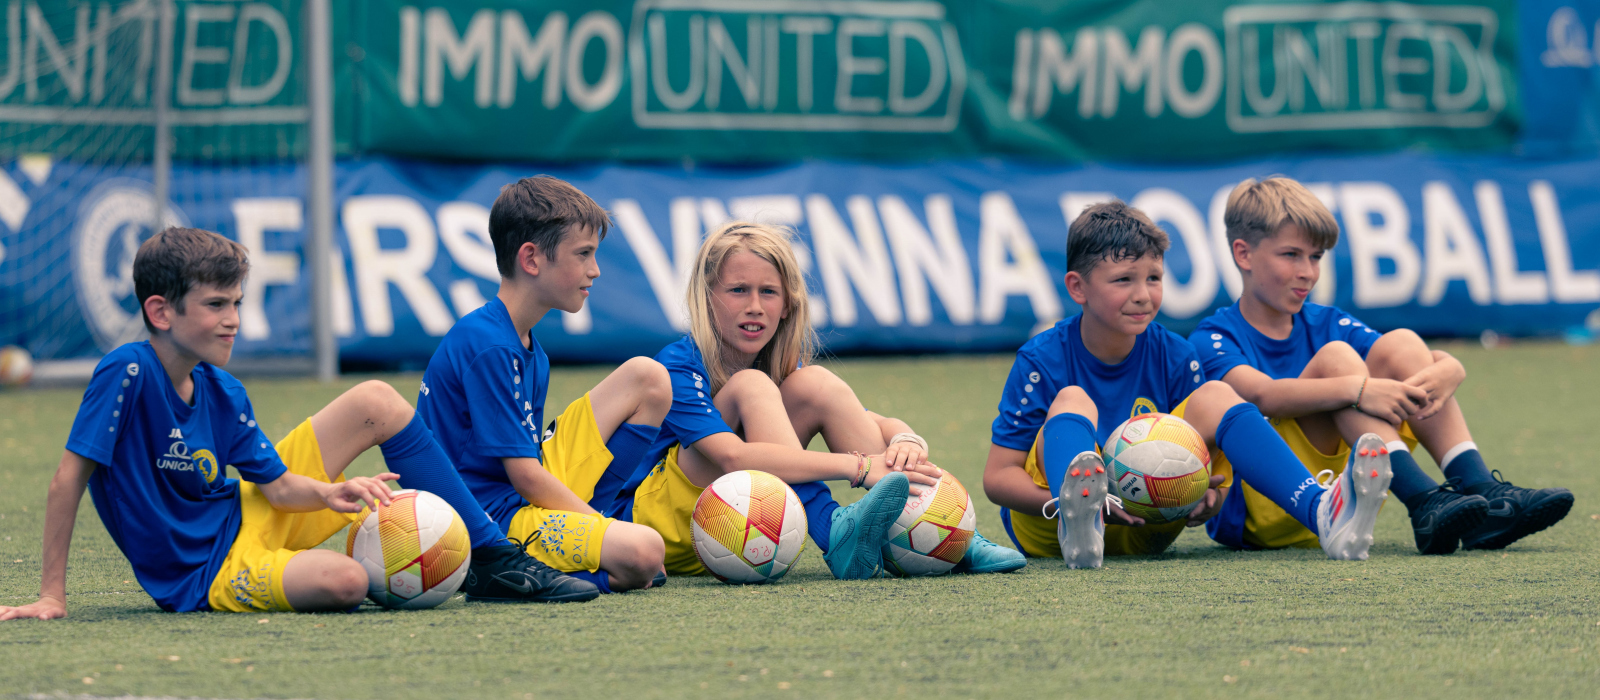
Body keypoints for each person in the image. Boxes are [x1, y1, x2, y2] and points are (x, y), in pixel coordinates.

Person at [0, 228, 595, 620]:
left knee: (376, 400)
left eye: (236, 303)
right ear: (160, 311)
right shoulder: (126, 371)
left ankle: (491, 558)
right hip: (208, 574)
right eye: (216, 305)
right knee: (343, 583)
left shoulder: (222, 388)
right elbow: (66, 480)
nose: (233, 320)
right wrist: (53, 592)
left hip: (250, 512)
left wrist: (332, 493)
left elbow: (280, 485)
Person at [983, 201, 1393, 569]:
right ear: (1078, 287)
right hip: (1050, 532)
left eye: (1154, 278)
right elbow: (998, 477)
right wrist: (1062, 505)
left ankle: (1322, 511)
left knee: (1214, 395)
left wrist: (1205, 499)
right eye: (1123, 280)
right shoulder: (1042, 359)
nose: (1143, 295)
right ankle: (1081, 513)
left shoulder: (1176, 355)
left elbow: (1210, 469)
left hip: (1151, 526)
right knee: (1073, 398)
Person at [613, 221, 1027, 579]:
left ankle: (942, 528)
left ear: (788, 305)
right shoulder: (679, 365)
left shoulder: (778, 362)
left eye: (768, 292)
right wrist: (861, 468)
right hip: (662, 527)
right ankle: (833, 529)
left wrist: (905, 441)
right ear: (707, 297)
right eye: (738, 290)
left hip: (738, 518)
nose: (755, 306)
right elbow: (734, 459)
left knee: (815, 385)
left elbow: (873, 421)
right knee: (751, 386)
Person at [1191, 177, 1574, 554]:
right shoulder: (1213, 336)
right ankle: (1422, 500)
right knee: (1338, 360)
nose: (1308, 272)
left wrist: (1451, 367)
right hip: (1262, 509)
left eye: (1316, 257)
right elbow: (1264, 396)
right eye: (1291, 255)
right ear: (1243, 254)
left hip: (1343, 493)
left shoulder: (1326, 321)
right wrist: (1358, 389)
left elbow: (1407, 361)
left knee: (1403, 343)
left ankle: (1480, 490)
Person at [418, 177, 669, 594]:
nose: (596, 270)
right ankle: (494, 569)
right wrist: (599, 528)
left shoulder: (526, 344)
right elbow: (526, 479)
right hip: (484, 520)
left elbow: (529, 467)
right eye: (584, 254)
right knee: (643, 553)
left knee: (648, 379)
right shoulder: (490, 345)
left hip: (518, 490)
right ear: (532, 259)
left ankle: (597, 529)